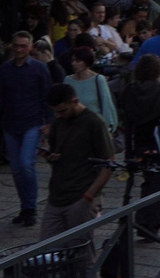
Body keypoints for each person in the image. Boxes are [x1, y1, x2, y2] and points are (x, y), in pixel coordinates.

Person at [38, 78, 115, 252]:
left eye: (62, 111)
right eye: (55, 112)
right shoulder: (58, 122)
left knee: (81, 255)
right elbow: (59, 153)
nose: (59, 115)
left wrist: (89, 197)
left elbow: (108, 164)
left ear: (75, 102)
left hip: (81, 196)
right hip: (57, 196)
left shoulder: (94, 123)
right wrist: (50, 156)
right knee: (45, 251)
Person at [0, 29, 56, 227]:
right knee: (17, 169)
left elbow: (46, 96)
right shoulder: (5, 69)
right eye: (16, 45)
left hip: (32, 122)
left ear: (30, 47)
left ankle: (31, 207)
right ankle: (25, 206)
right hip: (11, 123)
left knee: (26, 164)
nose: (19, 49)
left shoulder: (39, 69)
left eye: (23, 46)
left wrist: (49, 122)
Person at [115, 55, 160, 240]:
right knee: (158, 185)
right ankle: (150, 225)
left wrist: (129, 151)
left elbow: (126, 122)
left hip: (139, 143)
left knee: (147, 182)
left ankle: (142, 220)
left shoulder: (129, 91)